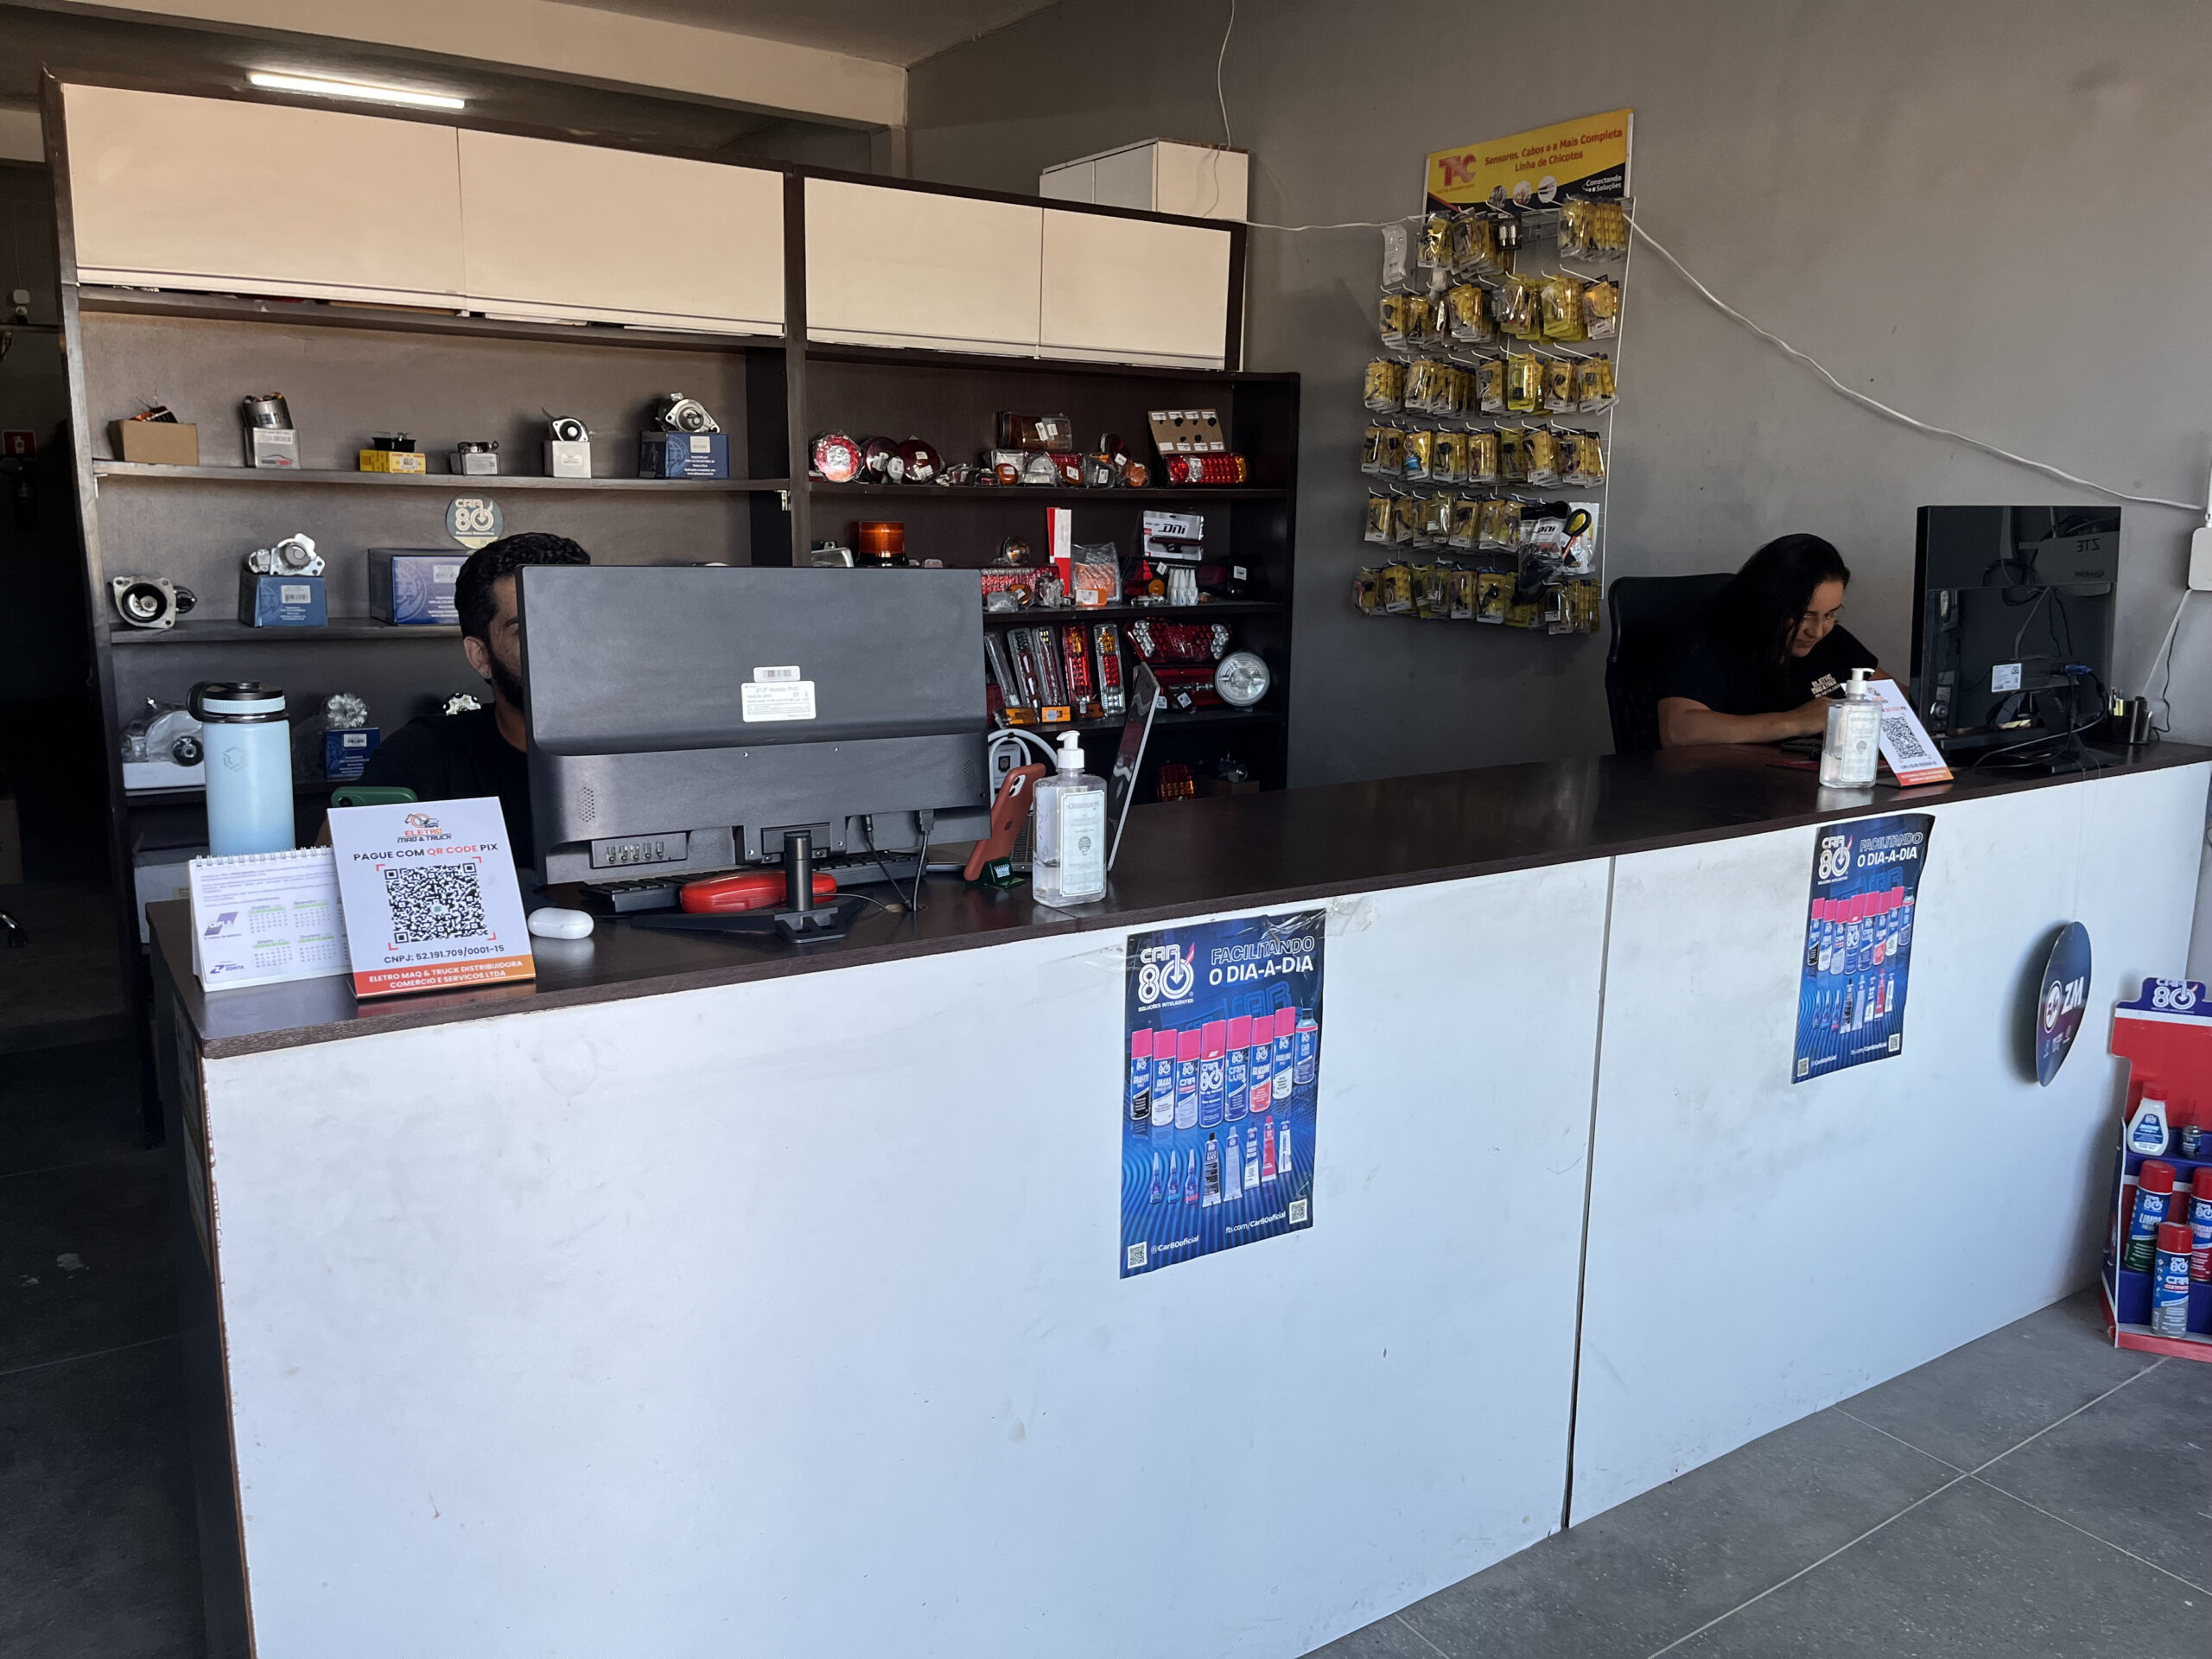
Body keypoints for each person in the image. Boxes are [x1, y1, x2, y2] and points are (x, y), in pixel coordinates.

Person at [356, 532, 591, 859]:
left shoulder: (651, 745)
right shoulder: (423, 755)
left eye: (577, 622)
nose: (562, 646)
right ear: (481, 656)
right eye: (529, 630)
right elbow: (344, 858)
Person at [1656, 533, 1891, 748]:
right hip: (1732, 777)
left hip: (1816, 773)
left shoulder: (1832, 640)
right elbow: (1678, 730)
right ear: (1768, 604)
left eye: (1830, 614)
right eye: (1803, 616)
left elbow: (1894, 699)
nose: (1818, 631)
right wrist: (1797, 721)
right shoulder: (1711, 642)